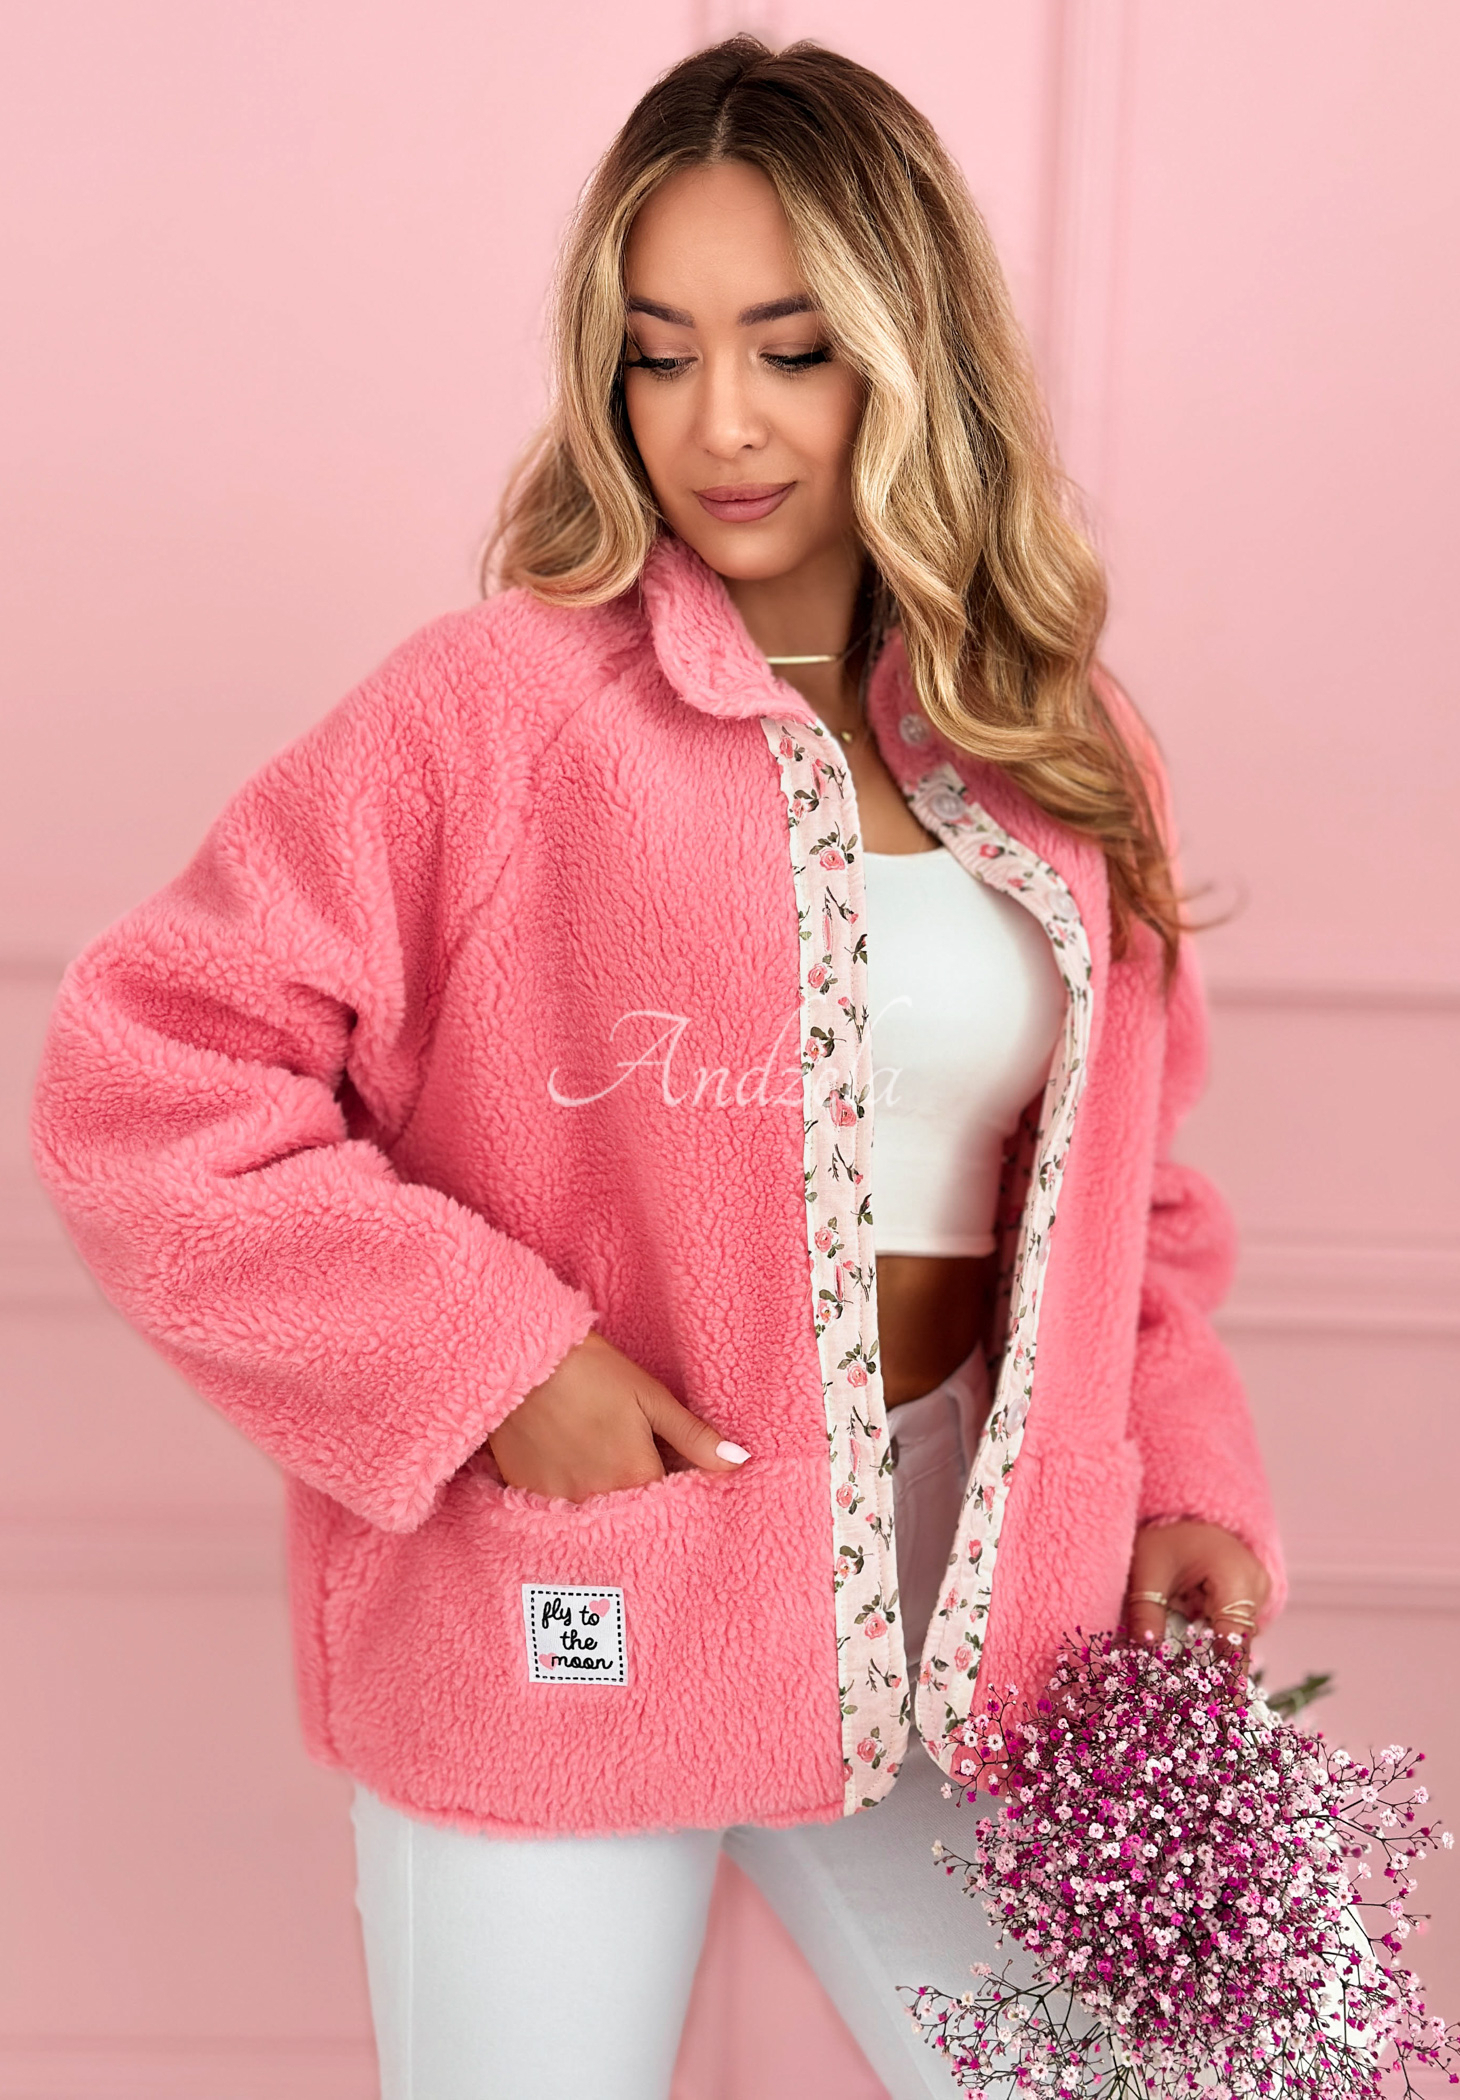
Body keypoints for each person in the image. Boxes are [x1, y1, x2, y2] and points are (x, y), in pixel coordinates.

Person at [29, 35, 1285, 2100]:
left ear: (913, 352)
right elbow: (148, 1077)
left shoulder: (1062, 750)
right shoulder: (494, 716)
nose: (720, 424)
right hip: (591, 1597)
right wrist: (492, 1360)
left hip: (996, 1618)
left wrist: (1187, 1482)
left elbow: (1131, 1202)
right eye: (657, 353)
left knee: (1147, 2077)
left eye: (790, 349)